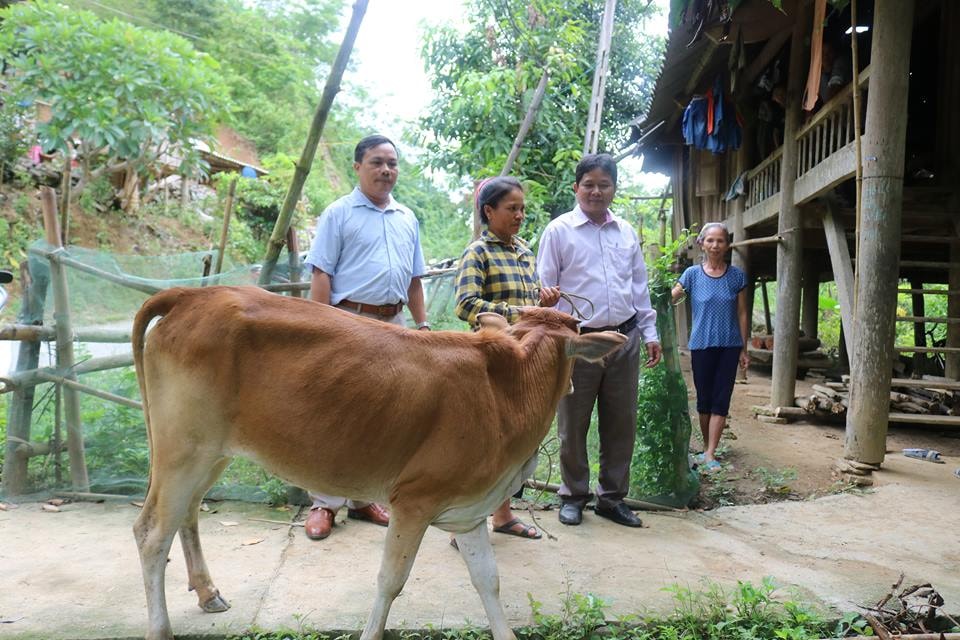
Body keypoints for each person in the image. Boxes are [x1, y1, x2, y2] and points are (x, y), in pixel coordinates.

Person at [301, 134, 431, 540]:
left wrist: (422, 325)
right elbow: (322, 273)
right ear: (358, 167)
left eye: (392, 163)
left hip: (394, 327)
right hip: (348, 324)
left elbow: (413, 280)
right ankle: (324, 504)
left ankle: (363, 499)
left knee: (384, 417)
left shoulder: (406, 217)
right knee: (334, 415)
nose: (386, 170)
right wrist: (322, 330)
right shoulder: (338, 214)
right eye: (376, 162)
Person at [537, 153, 662, 528]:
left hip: (625, 337)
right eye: (588, 184)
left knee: (621, 421)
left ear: (614, 189)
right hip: (577, 340)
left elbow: (638, 287)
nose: (595, 191)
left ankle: (611, 498)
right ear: (576, 188)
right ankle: (573, 495)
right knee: (573, 422)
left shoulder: (625, 232)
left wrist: (650, 332)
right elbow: (545, 288)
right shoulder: (558, 231)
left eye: (603, 185)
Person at [454, 176, 561, 541]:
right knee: (481, 440)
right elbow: (465, 304)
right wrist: (519, 313)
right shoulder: (478, 252)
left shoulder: (525, 252)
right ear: (489, 211)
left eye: (522, 208)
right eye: (511, 208)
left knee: (513, 438)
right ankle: (462, 524)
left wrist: (542, 302)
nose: (519, 215)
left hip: (525, 361)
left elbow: (531, 302)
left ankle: (503, 515)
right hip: (490, 361)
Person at [671, 222, 749, 474]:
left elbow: (742, 313)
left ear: (727, 245)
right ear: (702, 243)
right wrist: (656, 291)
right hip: (701, 345)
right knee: (704, 400)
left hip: (729, 345)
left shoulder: (736, 276)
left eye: (721, 241)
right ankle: (706, 447)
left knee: (720, 399)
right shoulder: (692, 274)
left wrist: (744, 349)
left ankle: (710, 452)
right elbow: (673, 295)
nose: (715, 245)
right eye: (710, 240)